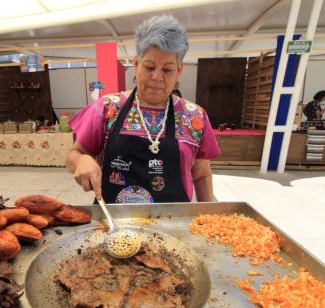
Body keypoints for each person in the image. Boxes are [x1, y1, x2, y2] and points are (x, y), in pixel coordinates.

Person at [66, 15, 220, 204]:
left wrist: (209, 221)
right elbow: (74, 154)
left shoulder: (195, 117)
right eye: (149, 67)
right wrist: (81, 161)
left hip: (175, 226)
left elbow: (202, 175)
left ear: (179, 70)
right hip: (114, 225)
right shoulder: (107, 108)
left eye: (167, 70)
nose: (157, 77)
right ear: (136, 64)